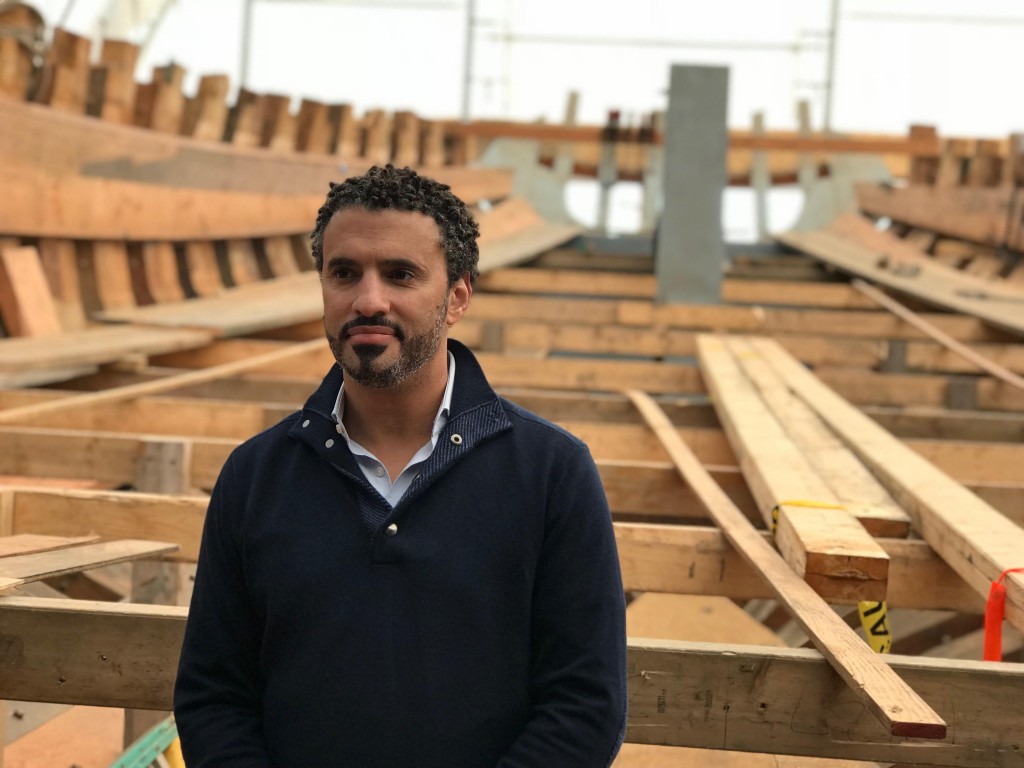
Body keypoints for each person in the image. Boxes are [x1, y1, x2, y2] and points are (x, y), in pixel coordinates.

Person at [174, 164, 628, 767]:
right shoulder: (255, 476)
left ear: (458, 296)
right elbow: (213, 695)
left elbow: (586, 705)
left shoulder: (552, 473)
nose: (367, 300)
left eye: (400, 274)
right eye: (344, 274)